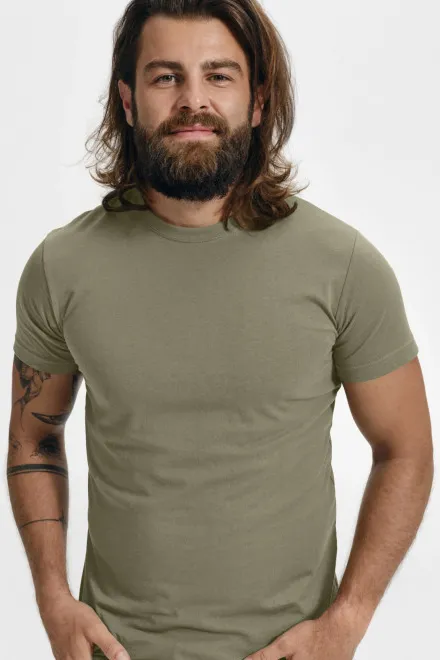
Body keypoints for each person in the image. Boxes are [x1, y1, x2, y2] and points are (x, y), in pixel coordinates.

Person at [7, 1, 433, 659]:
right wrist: (52, 600)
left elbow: (406, 449)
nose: (193, 100)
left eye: (219, 75)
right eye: (166, 76)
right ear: (128, 100)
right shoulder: (61, 266)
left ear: (258, 101)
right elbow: (33, 436)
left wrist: (347, 620)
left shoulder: (343, 265)